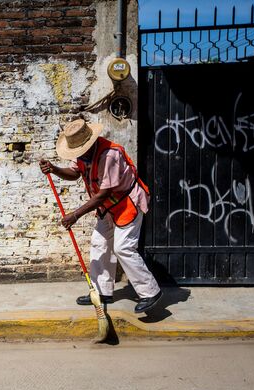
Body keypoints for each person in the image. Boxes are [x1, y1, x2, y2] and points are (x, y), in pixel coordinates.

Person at [40, 119, 162, 313]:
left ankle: (150, 292)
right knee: (99, 243)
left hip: (126, 203)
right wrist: (54, 169)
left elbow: (104, 193)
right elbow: (74, 173)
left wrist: (76, 215)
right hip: (107, 208)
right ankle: (101, 291)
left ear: (90, 143)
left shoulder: (110, 155)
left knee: (123, 248)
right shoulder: (82, 154)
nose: (78, 155)